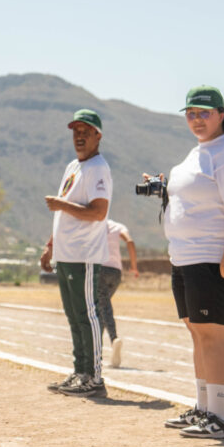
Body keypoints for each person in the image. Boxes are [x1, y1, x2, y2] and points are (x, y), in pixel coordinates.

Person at [160, 87, 224, 439]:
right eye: (190, 113)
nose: (197, 119)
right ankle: (203, 409)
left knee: (213, 335)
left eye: (203, 113)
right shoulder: (197, 152)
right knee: (198, 333)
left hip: (212, 258)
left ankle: (218, 417)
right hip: (185, 257)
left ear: (221, 113)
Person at [40, 109, 112, 398]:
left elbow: (98, 212)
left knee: (88, 315)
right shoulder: (74, 166)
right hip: (66, 253)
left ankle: (94, 376)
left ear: (98, 136)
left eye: (86, 131)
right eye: (75, 131)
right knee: (73, 315)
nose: (79, 136)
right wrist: (50, 246)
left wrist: (61, 205)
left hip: (85, 254)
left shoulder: (98, 168)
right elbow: (63, 212)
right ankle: (80, 371)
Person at [98, 218, 138, 368]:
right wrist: (134, 266)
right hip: (116, 271)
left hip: (100, 268)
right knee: (102, 307)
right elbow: (130, 242)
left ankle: (114, 339)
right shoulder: (119, 226)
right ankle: (99, 352)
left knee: (103, 308)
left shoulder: (96, 224)